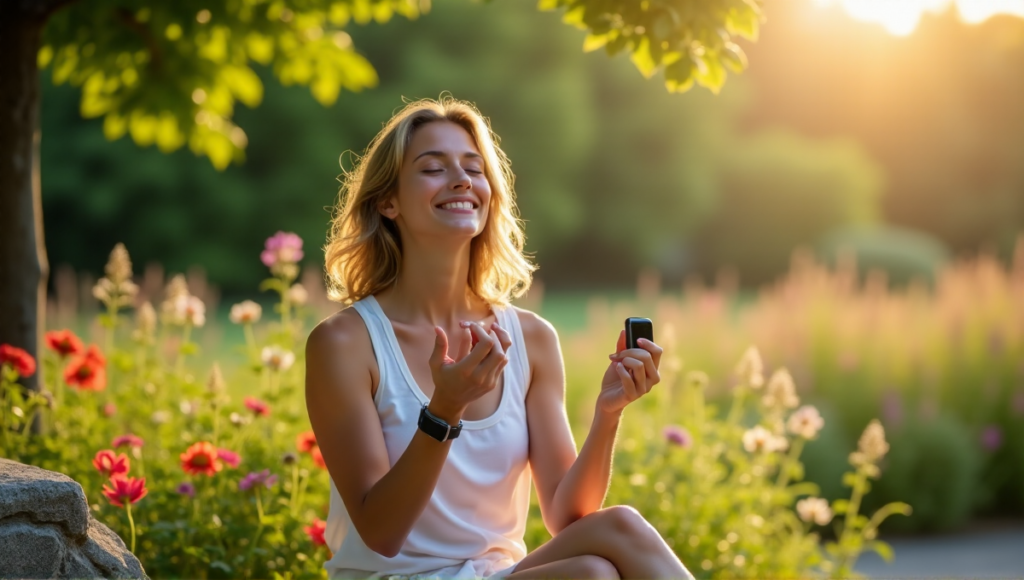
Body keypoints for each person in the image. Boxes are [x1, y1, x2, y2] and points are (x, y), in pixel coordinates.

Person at [305, 96, 693, 580]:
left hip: (495, 574)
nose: (462, 180)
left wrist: (607, 414)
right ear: (388, 202)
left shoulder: (530, 338)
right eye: (433, 168)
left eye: (474, 168)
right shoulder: (345, 343)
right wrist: (443, 412)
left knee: (610, 544)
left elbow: (567, 517)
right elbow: (380, 534)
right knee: (592, 575)